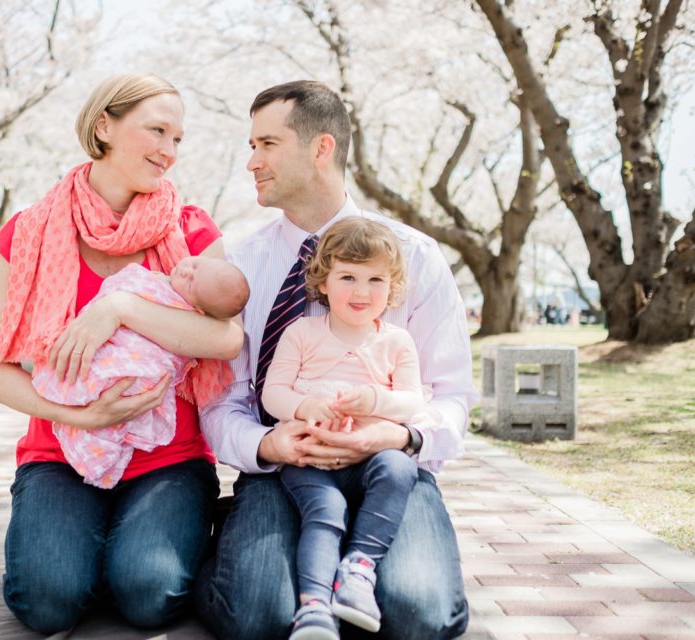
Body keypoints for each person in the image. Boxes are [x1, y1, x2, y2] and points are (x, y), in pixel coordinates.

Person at [194, 80, 478, 640]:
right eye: (251, 145)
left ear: (321, 148)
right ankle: (249, 551)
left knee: (421, 615)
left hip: (391, 467)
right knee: (255, 617)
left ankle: (351, 567)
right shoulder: (236, 264)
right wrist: (266, 444)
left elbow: (451, 395)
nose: (251, 161)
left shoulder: (412, 255)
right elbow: (220, 398)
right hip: (283, 470)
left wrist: (398, 437)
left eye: (266, 144)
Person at [0, 73, 243, 635]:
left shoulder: (189, 230)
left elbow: (224, 339)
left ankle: (150, 544)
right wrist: (83, 416)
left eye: (178, 139)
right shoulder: (26, 233)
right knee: (46, 603)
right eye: (157, 131)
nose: (169, 151)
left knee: (149, 596)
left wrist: (116, 309)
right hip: (60, 451)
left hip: (168, 456)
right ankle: (90, 548)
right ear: (105, 126)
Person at [262, 217, 443, 639]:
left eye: (375, 279)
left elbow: (414, 402)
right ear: (323, 282)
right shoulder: (302, 332)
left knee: (399, 469)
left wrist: (377, 401)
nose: (362, 292)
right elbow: (274, 394)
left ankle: (359, 569)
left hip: (371, 458)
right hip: (310, 456)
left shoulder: (396, 342)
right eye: (348, 277)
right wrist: (307, 405)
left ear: (392, 287)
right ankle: (313, 610)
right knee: (325, 513)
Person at [31, 257, 249, 488]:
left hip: (170, 461)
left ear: (199, 310)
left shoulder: (184, 292)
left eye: (192, 284)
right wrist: (81, 417)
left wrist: (122, 308)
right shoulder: (38, 233)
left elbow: (227, 340)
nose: (186, 271)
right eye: (195, 265)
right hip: (52, 459)